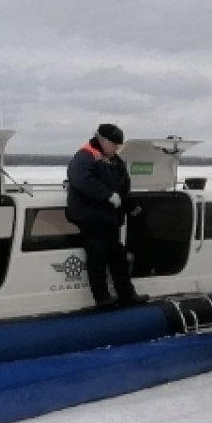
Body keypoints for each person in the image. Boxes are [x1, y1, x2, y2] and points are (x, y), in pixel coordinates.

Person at [66, 123, 147, 309]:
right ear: (102, 140)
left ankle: (127, 294)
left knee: (117, 256)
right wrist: (107, 195)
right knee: (97, 256)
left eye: (119, 146)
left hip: (109, 217)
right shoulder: (85, 157)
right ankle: (102, 298)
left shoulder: (115, 160)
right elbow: (81, 180)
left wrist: (129, 204)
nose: (117, 148)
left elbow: (122, 185)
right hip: (90, 217)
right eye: (114, 145)